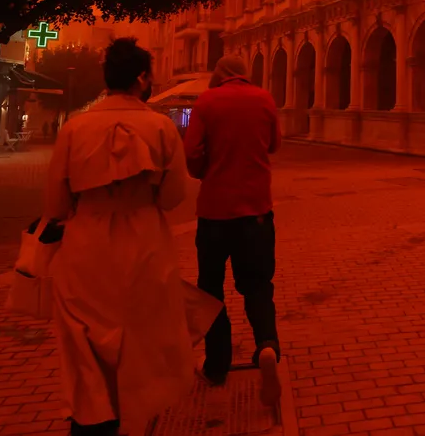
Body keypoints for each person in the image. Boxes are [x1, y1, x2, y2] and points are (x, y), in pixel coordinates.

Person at [44, 38, 195, 436]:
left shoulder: (74, 127)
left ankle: (92, 420)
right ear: (142, 78)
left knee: (85, 349)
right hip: (144, 245)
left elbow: (57, 205)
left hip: (85, 248)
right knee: (139, 345)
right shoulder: (162, 127)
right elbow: (174, 197)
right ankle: (133, 420)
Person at [183, 55, 283, 405]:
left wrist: (204, 170)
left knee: (210, 288)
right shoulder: (264, 98)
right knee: (257, 284)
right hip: (256, 210)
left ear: (218, 75)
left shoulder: (206, 101)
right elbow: (274, 144)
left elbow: (192, 152)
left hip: (214, 212)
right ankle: (267, 344)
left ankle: (217, 364)